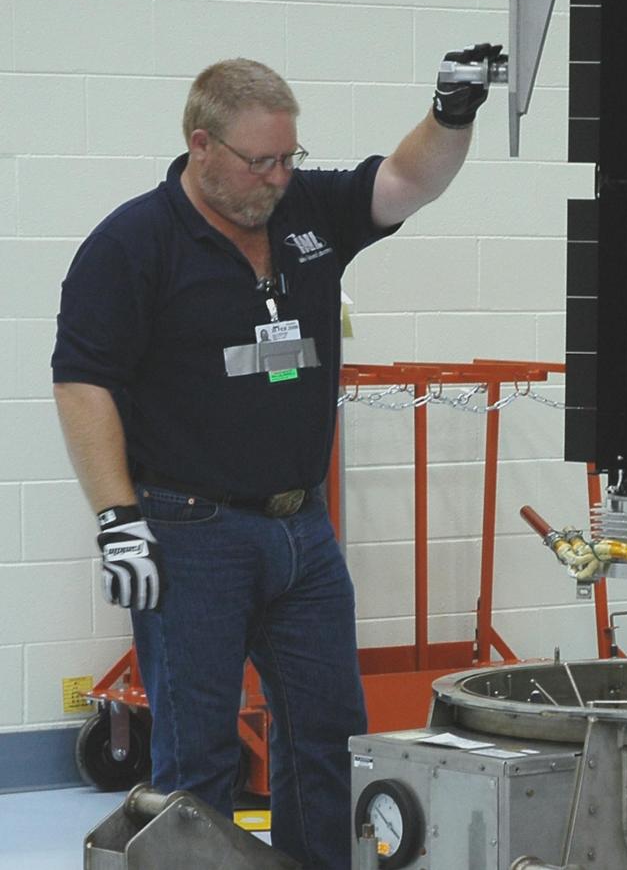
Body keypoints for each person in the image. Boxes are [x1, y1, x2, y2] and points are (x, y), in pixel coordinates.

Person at [51, 46, 502, 869]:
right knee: (198, 764)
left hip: (304, 534)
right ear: (201, 147)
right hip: (189, 534)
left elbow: (409, 180)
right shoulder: (132, 245)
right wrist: (119, 520)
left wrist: (451, 112)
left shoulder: (308, 211)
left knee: (326, 738)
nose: (277, 176)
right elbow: (83, 383)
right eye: (260, 161)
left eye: (289, 156)